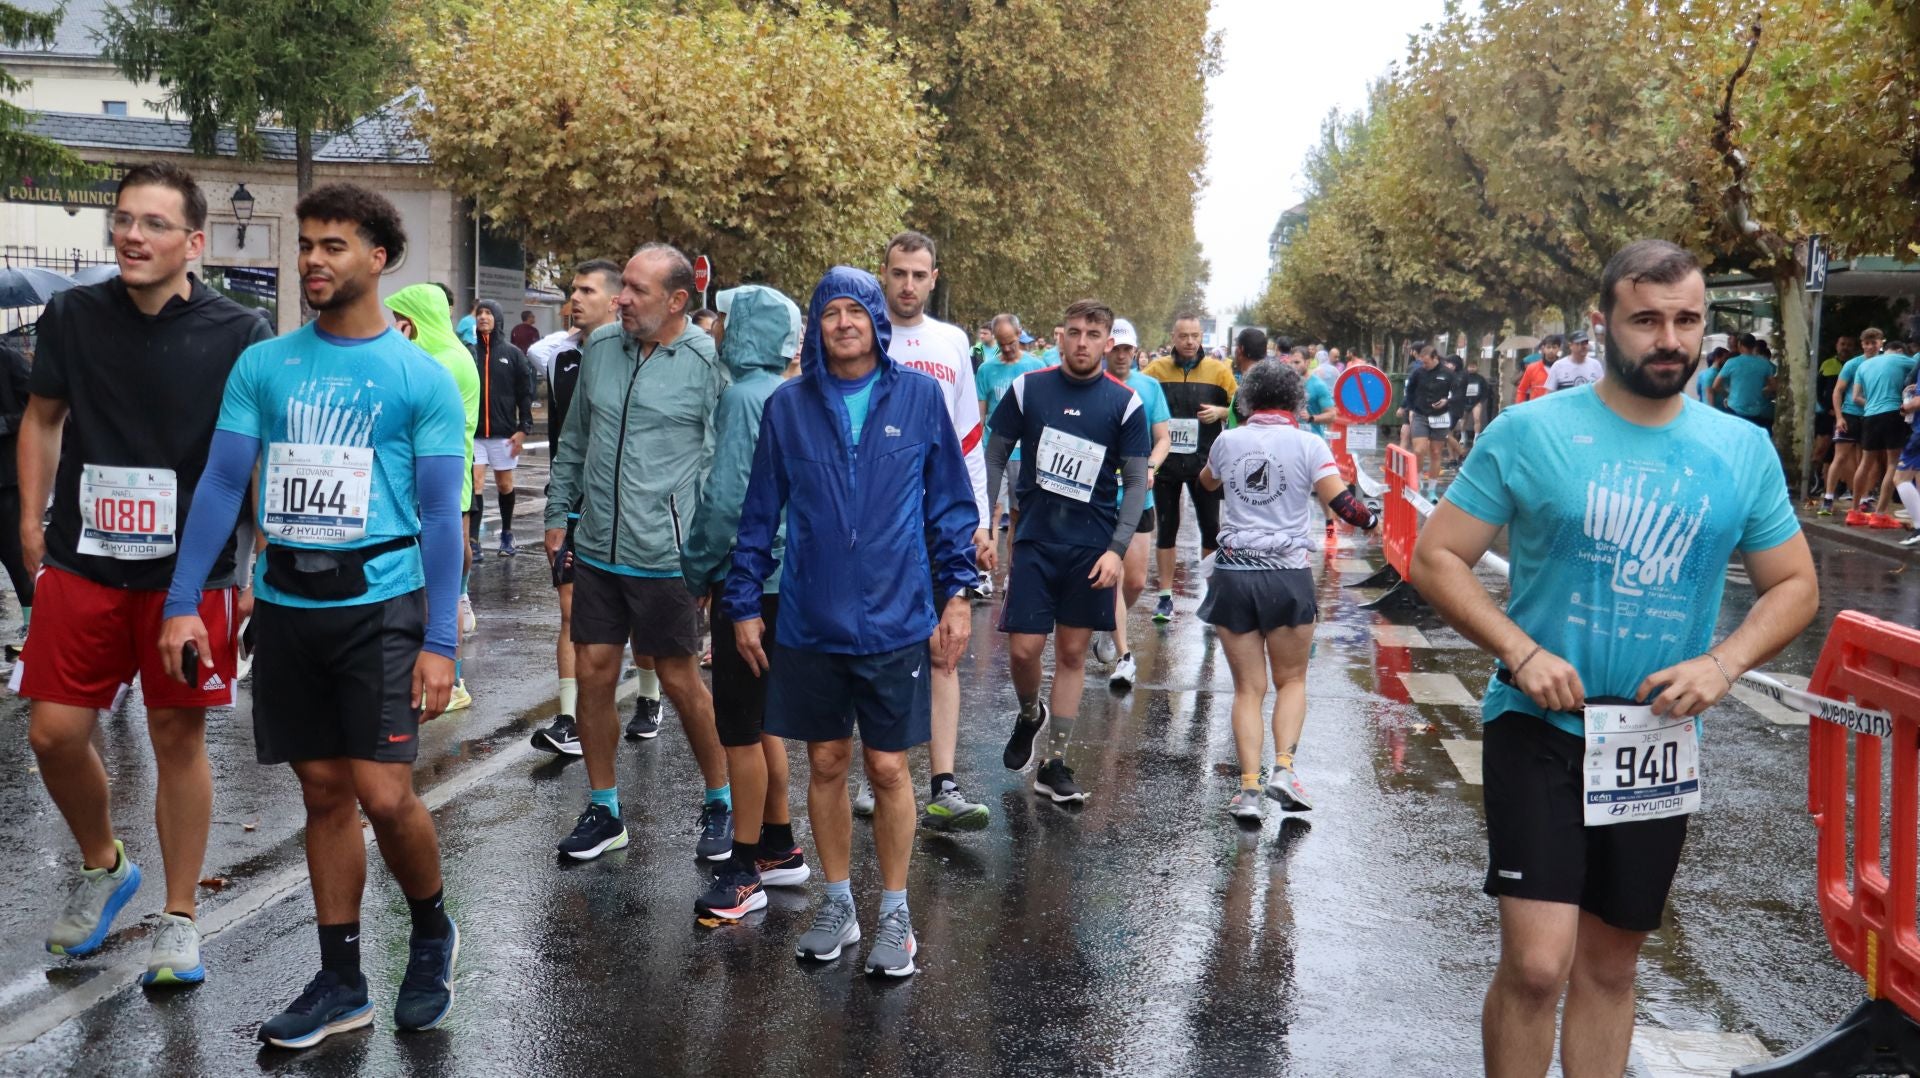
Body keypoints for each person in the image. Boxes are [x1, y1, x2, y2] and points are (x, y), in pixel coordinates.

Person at [1410, 239, 1817, 1078]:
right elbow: (1437, 555)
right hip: (1540, 724)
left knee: (1610, 965)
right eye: (1646, 320)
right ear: (1603, 326)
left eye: (1686, 320)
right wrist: (1520, 650)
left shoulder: (1740, 449)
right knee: (1537, 964)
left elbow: (1795, 586)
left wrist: (1722, 665)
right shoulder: (1530, 432)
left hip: (1653, 740)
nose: (1669, 339)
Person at [161, 183, 469, 1047]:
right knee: (325, 792)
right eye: (305, 245)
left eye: (333, 245)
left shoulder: (419, 376)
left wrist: (440, 641)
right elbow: (224, 483)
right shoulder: (265, 364)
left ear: (379, 257)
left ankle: (431, 931)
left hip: (383, 602)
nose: (312, 261)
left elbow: (442, 517)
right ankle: (342, 981)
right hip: (290, 604)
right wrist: (183, 602)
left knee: (385, 794)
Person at [18, 163, 269, 987]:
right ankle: (104, 865)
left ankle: (180, 916)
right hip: (83, 558)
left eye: (154, 224)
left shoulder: (239, 331)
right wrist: (31, 520)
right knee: (54, 733)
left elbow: (253, 457)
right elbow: (43, 417)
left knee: (175, 737)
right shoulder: (73, 315)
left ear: (194, 243)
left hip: (190, 574)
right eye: (123, 219)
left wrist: (260, 559)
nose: (131, 235)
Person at [725, 266, 977, 976]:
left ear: (876, 321)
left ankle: (896, 912)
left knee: (889, 767)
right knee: (827, 761)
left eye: (855, 311)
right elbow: (759, 511)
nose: (844, 323)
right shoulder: (788, 406)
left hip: (897, 617)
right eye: (831, 312)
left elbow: (950, 505)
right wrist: (742, 601)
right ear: (816, 325)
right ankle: (838, 904)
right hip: (812, 616)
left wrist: (957, 595)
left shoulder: (920, 398)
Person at [543, 244, 733, 864]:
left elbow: (723, 463)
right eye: (621, 285)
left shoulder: (706, 363)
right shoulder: (601, 348)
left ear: (677, 301)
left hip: (666, 554)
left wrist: (711, 551)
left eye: (636, 290)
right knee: (594, 673)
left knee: (679, 680)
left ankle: (721, 800)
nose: (621, 299)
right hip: (598, 546)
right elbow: (575, 437)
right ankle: (604, 809)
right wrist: (558, 513)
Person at [681, 283, 811, 919]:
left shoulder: (741, 397)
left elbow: (727, 500)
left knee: (738, 729)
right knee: (764, 724)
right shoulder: (789, 392)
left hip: (750, 580)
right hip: (791, 580)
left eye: (728, 321)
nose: (719, 330)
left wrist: (697, 568)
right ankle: (779, 846)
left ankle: (744, 867)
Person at [1199, 360, 1378, 821]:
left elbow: (1207, 482)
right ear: (1297, 401)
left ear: (1248, 400)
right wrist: (1372, 519)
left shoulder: (1229, 440)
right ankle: (1283, 769)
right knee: (1292, 681)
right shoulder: (1309, 444)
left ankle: (1248, 792)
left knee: (1247, 689)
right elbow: (1343, 504)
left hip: (1233, 574)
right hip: (1286, 576)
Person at [987, 299, 1151, 803]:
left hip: (1091, 548)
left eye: (1093, 334)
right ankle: (1029, 712)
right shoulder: (1028, 388)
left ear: (1107, 341)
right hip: (1035, 540)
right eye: (1075, 332)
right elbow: (994, 454)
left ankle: (1054, 763)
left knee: (1073, 653)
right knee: (1024, 649)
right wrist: (983, 521)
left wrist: (1117, 549)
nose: (1082, 342)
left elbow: (1136, 482)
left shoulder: (1125, 403)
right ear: (1061, 336)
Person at [876, 232, 995, 831]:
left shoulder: (951, 342)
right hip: (875, 518)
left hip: (940, 517)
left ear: (933, 278)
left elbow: (969, 440)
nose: (908, 285)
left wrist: (981, 522)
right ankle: (880, 769)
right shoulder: (862, 332)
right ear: (884, 273)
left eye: (919, 275)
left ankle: (944, 785)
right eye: (899, 273)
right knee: (876, 649)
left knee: (945, 647)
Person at [531, 259, 662, 755]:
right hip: (576, 507)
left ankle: (649, 697)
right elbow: (566, 439)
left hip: (630, 510)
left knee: (639, 617)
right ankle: (569, 718)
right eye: (573, 289)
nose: (574, 299)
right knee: (571, 613)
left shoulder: (641, 356)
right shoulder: (562, 360)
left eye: (586, 290)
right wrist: (557, 505)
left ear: (614, 300)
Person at [384, 283, 482, 714]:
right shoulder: (445, 354)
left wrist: (398, 349)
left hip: (443, 488)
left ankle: (453, 679)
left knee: (440, 589)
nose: (393, 328)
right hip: (444, 483)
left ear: (415, 321)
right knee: (439, 586)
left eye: (399, 321)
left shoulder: (442, 361)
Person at [1144, 314, 1237, 623]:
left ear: (1201, 337)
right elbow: (1135, 399)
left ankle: (1212, 596)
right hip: (1166, 463)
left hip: (1205, 464)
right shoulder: (1155, 371)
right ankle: (1165, 597)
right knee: (1166, 528)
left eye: (1195, 335)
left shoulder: (1219, 372)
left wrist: (1221, 412)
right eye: (1183, 335)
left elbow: (1242, 408)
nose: (1189, 341)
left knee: (1210, 528)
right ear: (1173, 337)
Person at [1097, 318, 1171, 691]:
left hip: (1140, 494)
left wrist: (1151, 466)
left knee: (1137, 581)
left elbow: (1163, 438)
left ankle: (1108, 625)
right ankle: (1124, 654)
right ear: (1106, 349)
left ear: (1136, 352)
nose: (1122, 355)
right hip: (1102, 496)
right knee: (1115, 575)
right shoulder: (1094, 384)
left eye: (1128, 349)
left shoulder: (1149, 387)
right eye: (1116, 349)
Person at [466, 300, 535, 558]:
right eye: (480, 313)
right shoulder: (469, 353)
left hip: (504, 433)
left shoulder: (513, 354)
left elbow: (525, 393)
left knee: (504, 484)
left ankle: (507, 533)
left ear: (497, 318)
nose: (483, 317)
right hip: (474, 434)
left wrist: (523, 428)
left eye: (488, 313)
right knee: (475, 483)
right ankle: (473, 540)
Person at [973, 314, 1045, 548]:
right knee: (991, 511)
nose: (1006, 348)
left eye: (1011, 343)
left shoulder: (1035, 367)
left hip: (1023, 453)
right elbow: (980, 414)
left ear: (1019, 334)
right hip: (993, 451)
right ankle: (986, 564)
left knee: (1017, 515)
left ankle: (1012, 569)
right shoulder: (986, 370)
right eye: (1001, 343)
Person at [1849, 332, 1916, 528]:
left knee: (1865, 463)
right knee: (1892, 463)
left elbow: (1855, 396)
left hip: (1870, 416)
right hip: (1893, 414)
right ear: (1899, 350)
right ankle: (1879, 515)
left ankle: (1854, 512)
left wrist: (1874, 404)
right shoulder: (1903, 360)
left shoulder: (1864, 365)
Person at [0, 340, 33, 656]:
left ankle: (34, 625)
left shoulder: (9, 359)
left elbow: (40, 412)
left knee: (16, 556)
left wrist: (5, 423)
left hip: (7, 480)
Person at [1823, 334, 1870, 516]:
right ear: (1862, 344)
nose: (1871, 347)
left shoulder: (1881, 363)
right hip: (1850, 414)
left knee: (1865, 460)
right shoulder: (1852, 364)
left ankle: (1863, 499)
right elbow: (1837, 391)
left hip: (1870, 416)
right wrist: (1839, 417)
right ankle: (1828, 498)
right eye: (1867, 343)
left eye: (1874, 343)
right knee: (1840, 457)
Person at [1403, 344, 1456, 497]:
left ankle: (1432, 489)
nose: (1424, 365)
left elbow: (1457, 393)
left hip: (1440, 416)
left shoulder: (1448, 374)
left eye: (1426, 362)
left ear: (1435, 358)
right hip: (1420, 414)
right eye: (1422, 362)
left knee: (1436, 452)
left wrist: (1447, 401)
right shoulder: (1418, 373)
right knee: (1419, 450)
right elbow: (1409, 391)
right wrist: (1409, 408)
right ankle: (1417, 482)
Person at [1812, 336, 1854, 496]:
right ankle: (1816, 481)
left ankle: (1840, 486)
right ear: (1837, 345)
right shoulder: (1827, 364)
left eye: (1849, 345)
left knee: (1842, 453)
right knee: (1821, 449)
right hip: (1827, 415)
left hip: (1848, 414)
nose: (1845, 347)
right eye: (1842, 344)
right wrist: (1827, 408)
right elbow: (1818, 390)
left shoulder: (1856, 365)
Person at [1712, 335, 1776, 427]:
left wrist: (1729, 395)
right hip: (1756, 410)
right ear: (1754, 346)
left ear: (1740, 345)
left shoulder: (1732, 362)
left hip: (1734, 409)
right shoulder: (1764, 364)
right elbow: (1773, 386)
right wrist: (1760, 391)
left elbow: (1715, 385)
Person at [1513, 335, 1560, 404]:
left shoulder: (1564, 367)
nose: (1551, 350)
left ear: (1559, 349)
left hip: (1557, 407)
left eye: (1554, 347)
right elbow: (1521, 390)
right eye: (1548, 347)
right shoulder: (1532, 368)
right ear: (1543, 348)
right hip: (1536, 407)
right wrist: (1519, 407)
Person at [1458, 357, 1492, 450]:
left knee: (1477, 418)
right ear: (1467, 367)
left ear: (1477, 367)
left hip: (1476, 401)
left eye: (1474, 367)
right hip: (1465, 401)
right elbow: (1459, 389)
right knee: (1463, 420)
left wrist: (1481, 401)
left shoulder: (1480, 379)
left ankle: (1476, 437)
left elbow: (1485, 390)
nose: (1472, 368)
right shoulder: (1464, 378)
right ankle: (1463, 436)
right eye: (1470, 366)